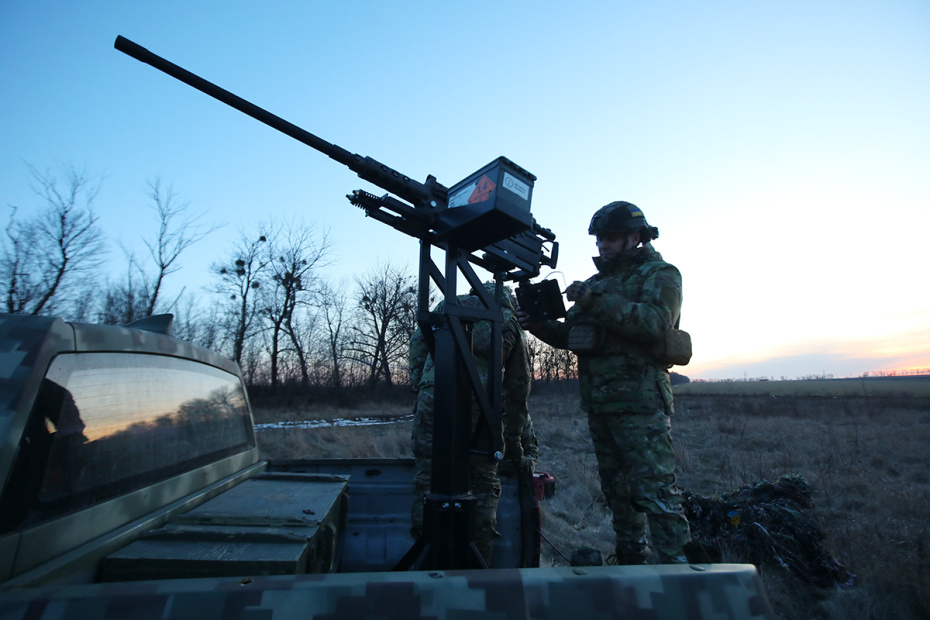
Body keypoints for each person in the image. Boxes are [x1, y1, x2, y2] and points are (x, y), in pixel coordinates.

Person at [517, 201, 691, 564]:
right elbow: (573, 338)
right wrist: (537, 325)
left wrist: (594, 300)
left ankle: (679, 570)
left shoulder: (660, 274)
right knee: (618, 491)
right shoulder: (597, 284)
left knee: (656, 491)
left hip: (641, 404)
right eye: (599, 240)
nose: (603, 246)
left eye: (610, 238)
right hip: (600, 406)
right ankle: (631, 560)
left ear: (635, 237)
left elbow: (654, 323)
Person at [409, 283, 531, 566]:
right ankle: (477, 569)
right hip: (483, 405)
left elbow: (418, 343)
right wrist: (512, 442)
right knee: (482, 484)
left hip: (434, 398)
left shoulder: (447, 306)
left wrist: (421, 384)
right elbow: (519, 387)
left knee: (429, 478)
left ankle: (424, 566)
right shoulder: (509, 321)